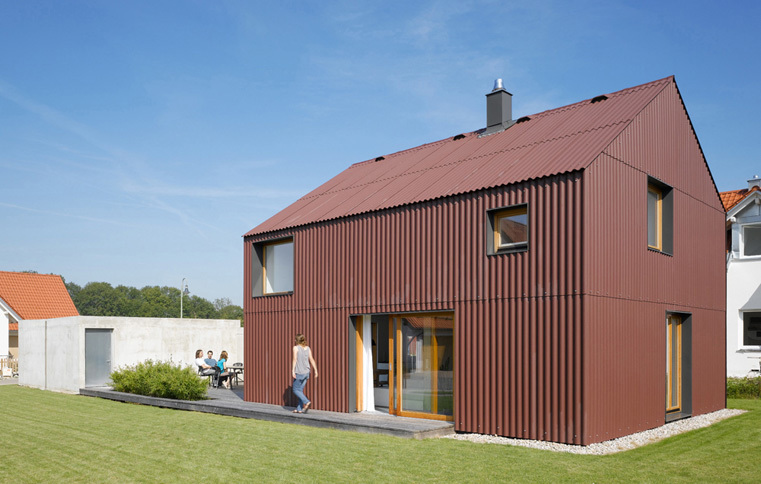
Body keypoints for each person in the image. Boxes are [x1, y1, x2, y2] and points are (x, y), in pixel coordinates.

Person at [291, 333, 318, 413]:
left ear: (297, 340)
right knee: (300, 390)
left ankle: (307, 402)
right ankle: (299, 409)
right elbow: (311, 359)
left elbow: (294, 359)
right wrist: (316, 370)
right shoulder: (308, 348)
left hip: (300, 372)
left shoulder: (295, 348)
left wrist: (293, 370)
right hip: (307, 372)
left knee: (295, 389)